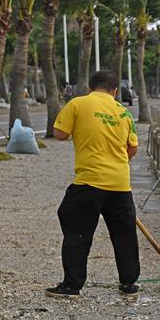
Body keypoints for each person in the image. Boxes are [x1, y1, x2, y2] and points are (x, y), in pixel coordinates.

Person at [46, 70, 140, 299]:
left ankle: (72, 286)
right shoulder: (124, 113)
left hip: (89, 181)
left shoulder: (78, 104)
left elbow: (59, 134)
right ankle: (129, 284)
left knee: (76, 230)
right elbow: (133, 148)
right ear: (115, 91)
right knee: (124, 234)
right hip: (120, 184)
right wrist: (114, 162)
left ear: (90, 87)